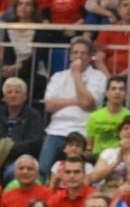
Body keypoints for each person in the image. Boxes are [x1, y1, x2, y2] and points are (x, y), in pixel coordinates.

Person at [39, 37, 107, 178]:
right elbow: (50, 106)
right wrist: (77, 100)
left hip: (84, 129)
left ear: (90, 57)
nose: (78, 56)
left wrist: (76, 75)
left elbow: (88, 104)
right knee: (42, 170)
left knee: (81, 172)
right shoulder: (58, 76)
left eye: (83, 53)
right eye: (75, 52)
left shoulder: (98, 77)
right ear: (70, 55)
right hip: (57, 129)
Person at [0, 77, 44, 176]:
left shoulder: (33, 115)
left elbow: (34, 142)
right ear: (4, 97)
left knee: (11, 173)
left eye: (17, 92)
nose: (13, 95)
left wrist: (7, 149)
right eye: (9, 92)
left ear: (25, 96)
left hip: (20, 158)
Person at [89, 115, 130, 194]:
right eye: (126, 128)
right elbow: (94, 178)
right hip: (108, 190)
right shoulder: (108, 152)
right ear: (120, 134)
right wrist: (116, 161)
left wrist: (125, 156)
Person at [85, 76, 130, 158]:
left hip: (120, 160)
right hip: (97, 160)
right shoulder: (94, 117)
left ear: (126, 94)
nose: (117, 92)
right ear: (106, 93)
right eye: (113, 89)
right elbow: (89, 146)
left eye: (121, 89)